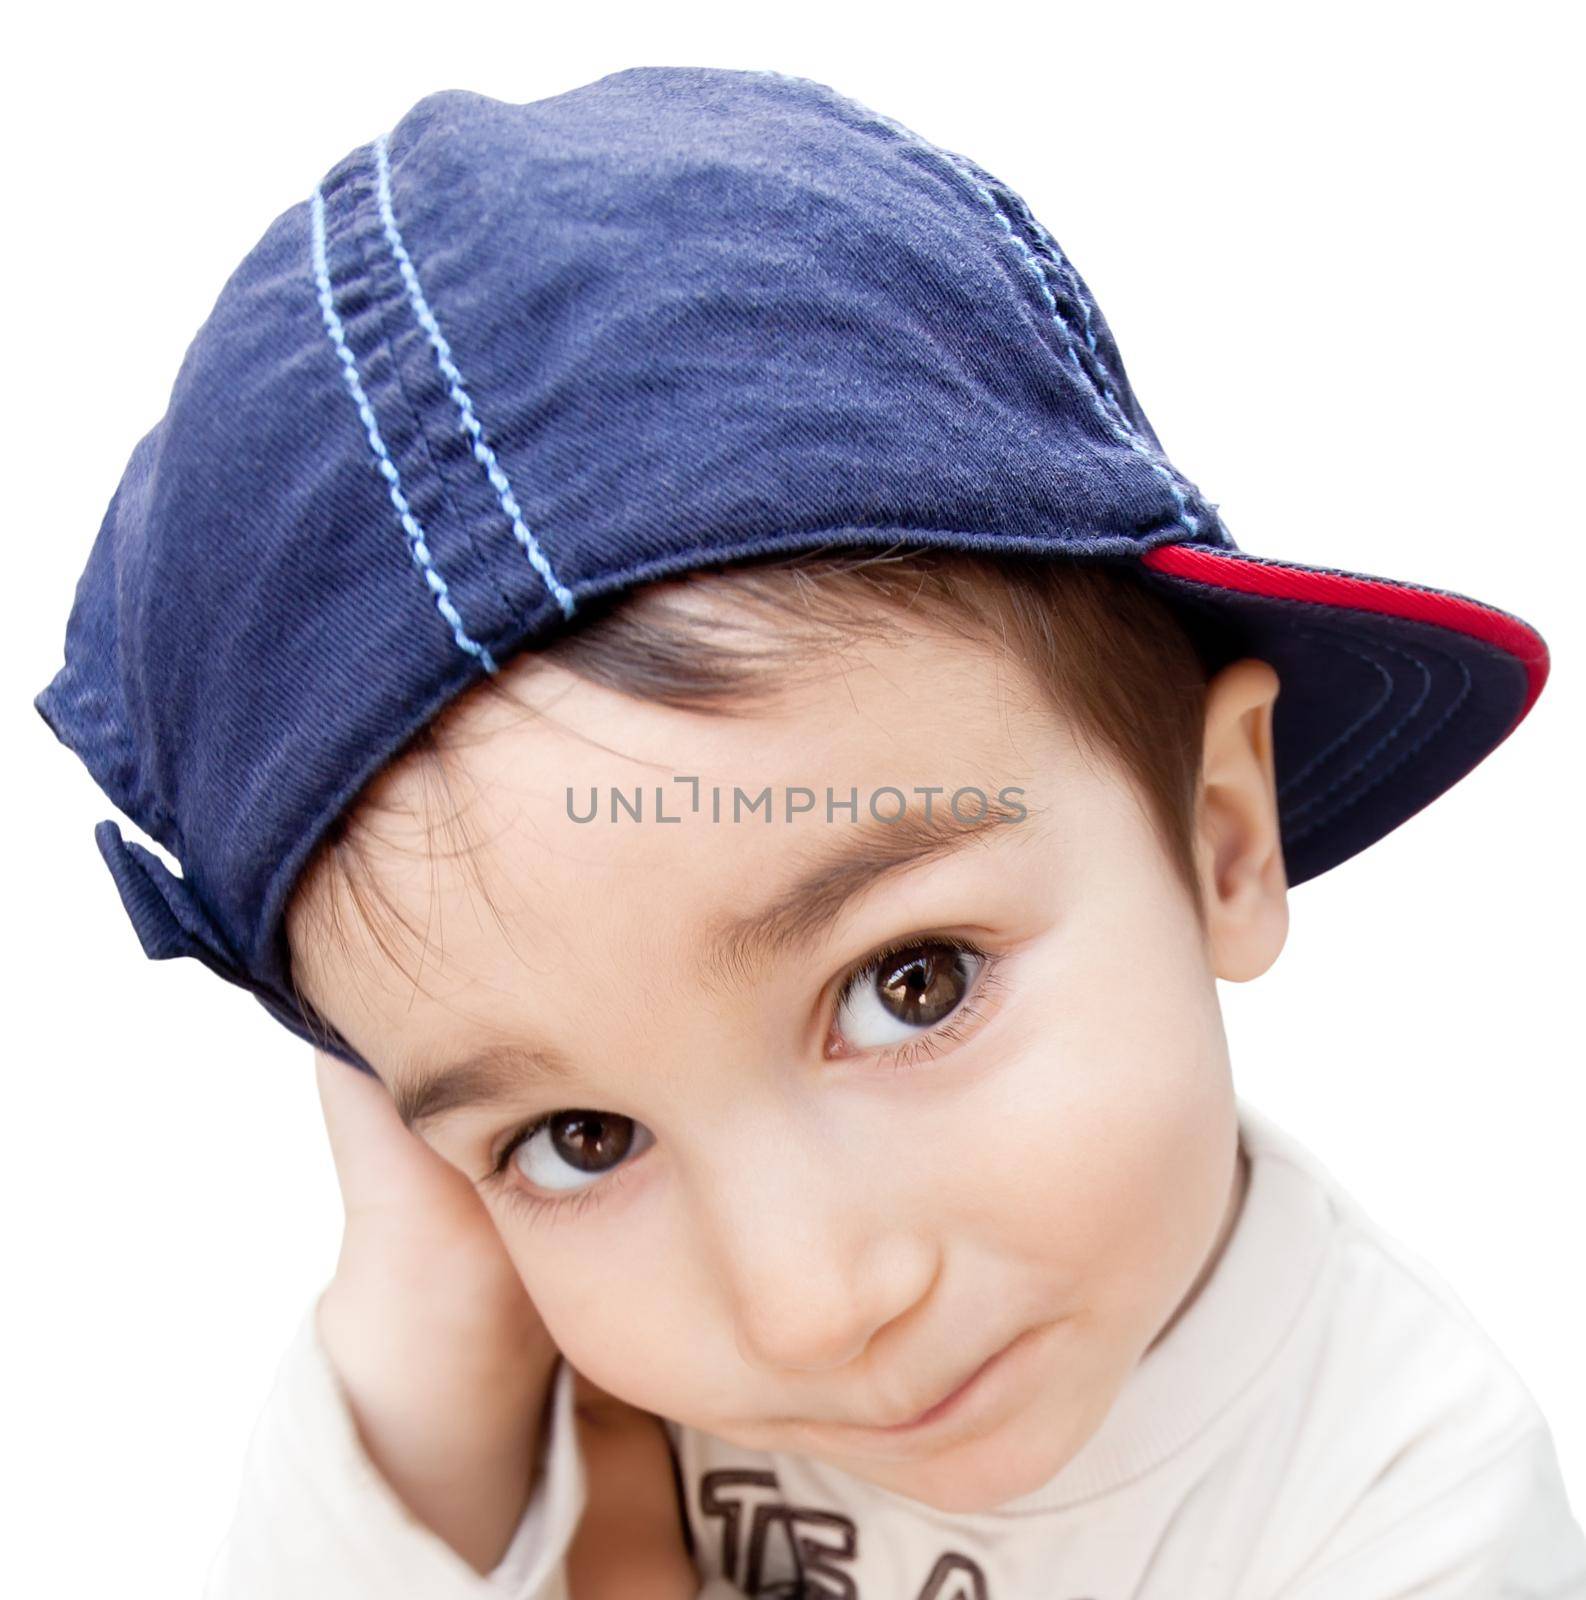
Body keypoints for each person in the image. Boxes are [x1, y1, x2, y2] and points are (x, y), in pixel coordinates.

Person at [33, 66, 1585, 1600]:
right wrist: (431, 1322)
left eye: (908, 983)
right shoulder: (505, 1415)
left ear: (1219, 832)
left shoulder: (1401, 1501)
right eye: (579, 1141)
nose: (804, 1305)